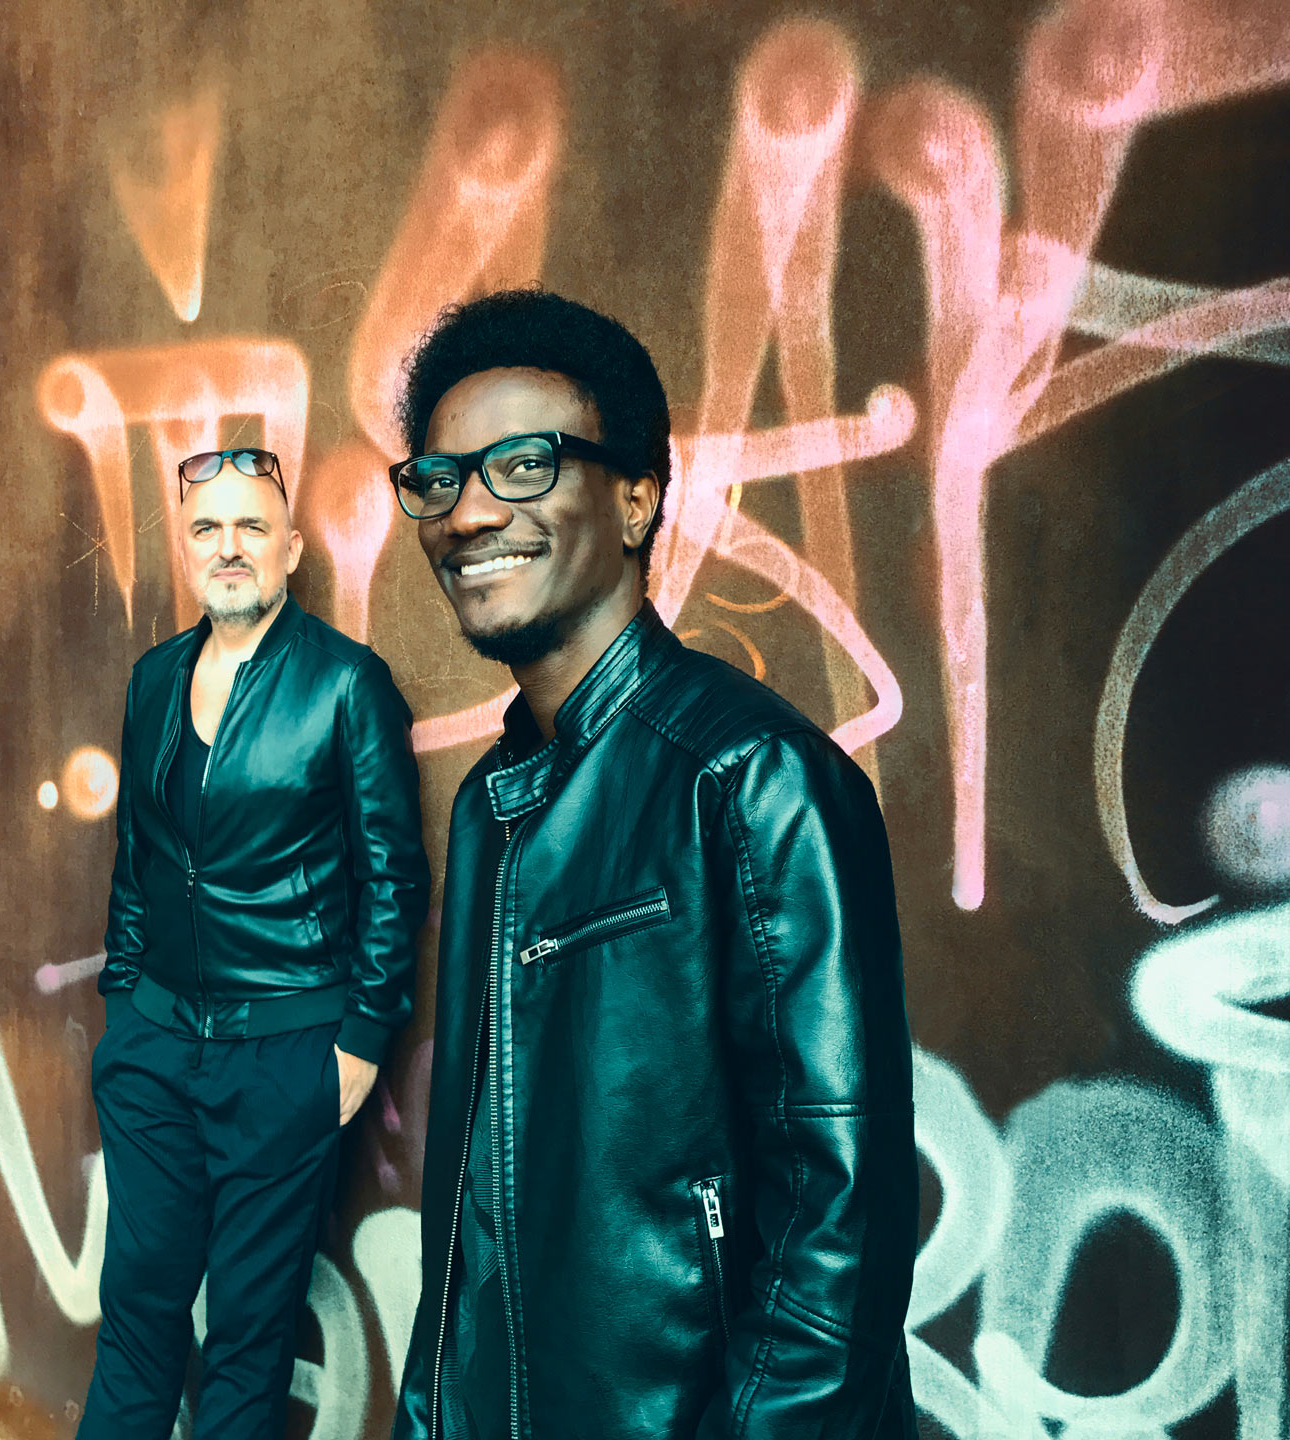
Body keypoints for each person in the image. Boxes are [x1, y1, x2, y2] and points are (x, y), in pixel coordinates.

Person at [386, 290, 918, 1439]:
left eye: (522, 466)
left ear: (635, 498)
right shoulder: (489, 809)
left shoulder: (752, 776)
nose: (468, 513)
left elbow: (842, 1221)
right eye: (437, 479)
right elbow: (471, 1215)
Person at [81, 446, 430, 1439]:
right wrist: (125, 1010)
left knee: (248, 1336)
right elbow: (139, 857)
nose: (228, 547)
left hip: (286, 1051)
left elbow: (395, 878)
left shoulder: (348, 685)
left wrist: (359, 1041)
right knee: (138, 1313)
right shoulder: (154, 680)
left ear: (291, 548)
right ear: (187, 549)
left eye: (250, 527)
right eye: (207, 528)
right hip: (155, 1048)